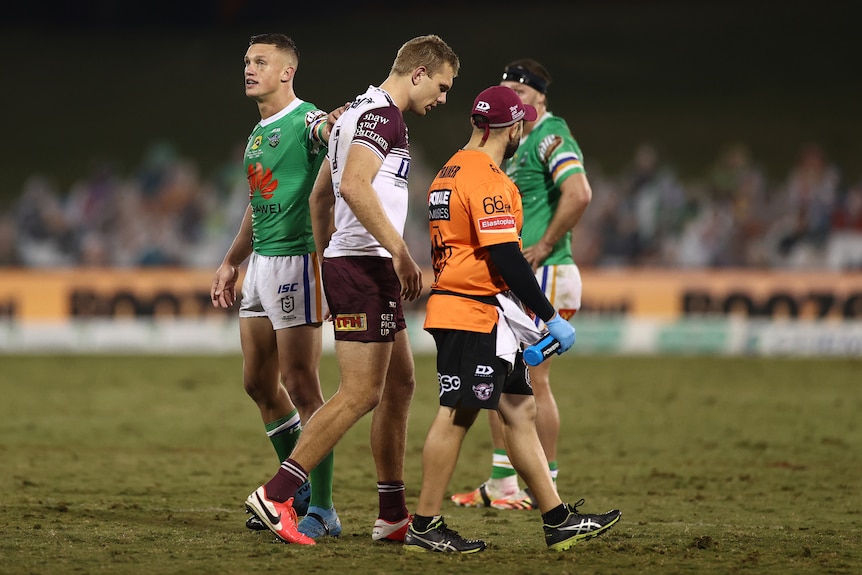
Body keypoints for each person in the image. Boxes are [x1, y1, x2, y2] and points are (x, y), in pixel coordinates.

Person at [243, 34, 461, 546]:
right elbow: (354, 187)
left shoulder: (357, 112)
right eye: (443, 86)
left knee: (401, 382)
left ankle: (391, 515)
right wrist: (400, 253)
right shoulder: (383, 116)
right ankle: (276, 495)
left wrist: (328, 258)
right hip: (368, 264)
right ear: (418, 73)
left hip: (357, 263)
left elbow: (322, 195)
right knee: (361, 392)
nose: (444, 98)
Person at [404, 86, 620, 553]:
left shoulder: (449, 169)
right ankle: (424, 524)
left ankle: (557, 519)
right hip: (471, 310)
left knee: (520, 410)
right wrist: (548, 316)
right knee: (457, 414)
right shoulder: (487, 177)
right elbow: (506, 255)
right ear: (513, 127)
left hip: (475, 309)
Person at [210, 33, 346, 539]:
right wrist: (230, 261)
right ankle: (299, 485)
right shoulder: (257, 133)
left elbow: (327, 129)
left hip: (296, 265)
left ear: (287, 71)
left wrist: (337, 121)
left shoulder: (304, 120)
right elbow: (256, 203)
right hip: (261, 266)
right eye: (247, 60)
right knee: (258, 383)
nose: (250, 68)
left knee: (303, 386)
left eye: (261, 62)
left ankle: (323, 510)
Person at [451, 58, 593, 511]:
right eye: (507, 88)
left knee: (530, 381)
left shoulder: (551, 137)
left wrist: (545, 244)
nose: (514, 95)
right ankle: (505, 482)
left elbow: (579, 192)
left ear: (541, 98)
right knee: (512, 379)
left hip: (545, 271)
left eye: (522, 89)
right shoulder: (522, 141)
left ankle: (537, 483)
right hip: (537, 273)